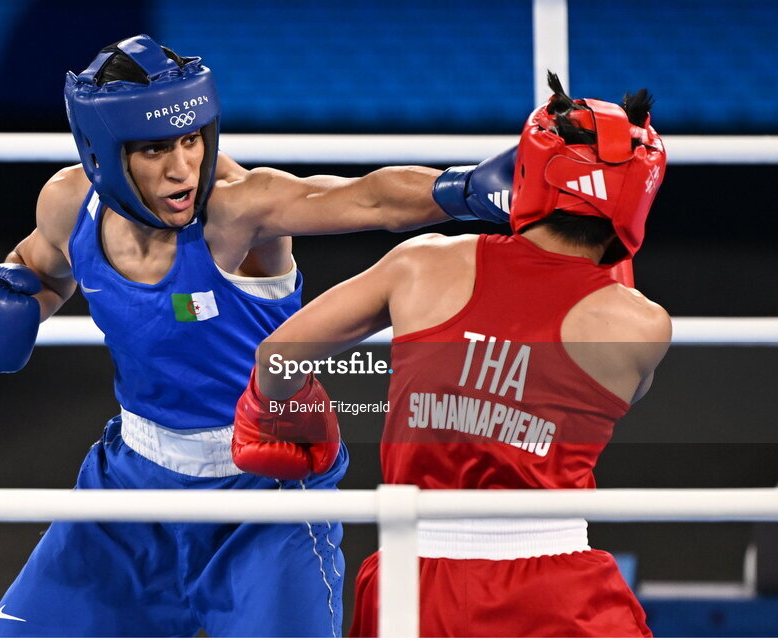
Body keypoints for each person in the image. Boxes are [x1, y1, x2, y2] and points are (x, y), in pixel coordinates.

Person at [0, 35, 503, 637]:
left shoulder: (237, 211)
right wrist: (14, 291)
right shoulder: (67, 204)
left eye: (192, 140)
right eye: (156, 148)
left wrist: (463, 190)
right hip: (130, 488)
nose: (183, 167)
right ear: (103, 155)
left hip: (262, 495)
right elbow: (44, 266)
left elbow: (362, 198)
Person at [232, 73, 671, 636]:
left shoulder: (422, 264)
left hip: (413, 585)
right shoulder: (641, 326)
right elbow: (624, 389)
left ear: (527, 172)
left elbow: (278, 357)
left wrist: (280, 413)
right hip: (555, 588)